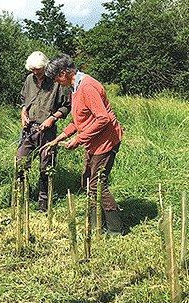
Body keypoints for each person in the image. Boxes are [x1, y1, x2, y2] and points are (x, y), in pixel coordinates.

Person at [41, 53, 124, 234]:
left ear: (63, 73)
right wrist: (58, 139)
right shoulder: (75, 88)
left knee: (97, 184)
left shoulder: (87, 87)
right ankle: (96, 225)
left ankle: (115, 229)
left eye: (56, 79)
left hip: (106, 141)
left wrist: (78, 139)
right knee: (88, 182)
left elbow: (103, 119)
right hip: (94, 141)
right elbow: (78, 121)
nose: (56, 83)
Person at [17, 51, 71, 212]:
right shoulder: (28, 80)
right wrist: (23, 114)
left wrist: (52, 118)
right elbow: (22, 100)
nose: (35, 72)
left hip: (47, 130)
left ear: (45, 67)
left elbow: (67, 106)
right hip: (29, 130)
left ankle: (43, 201)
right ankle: (21, 195)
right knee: (20, 161)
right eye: (32, 69)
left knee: (46, 166)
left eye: (38, 69)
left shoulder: (55, 82)